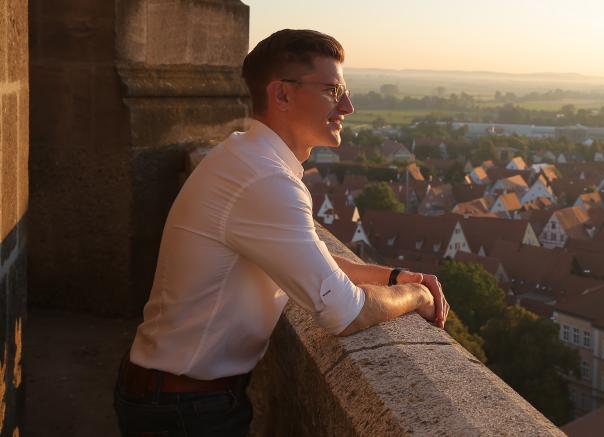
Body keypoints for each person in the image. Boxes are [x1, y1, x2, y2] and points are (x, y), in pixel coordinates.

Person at [112, 29, 449, 436]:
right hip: (185, 408)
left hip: (173, 394)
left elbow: (310, 261)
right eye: (332, 90)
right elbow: (345, 312)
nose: (348, 105)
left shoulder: (248, 158)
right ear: (282, 95)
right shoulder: (264, 179)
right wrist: (416, 296)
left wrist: (394, 277)